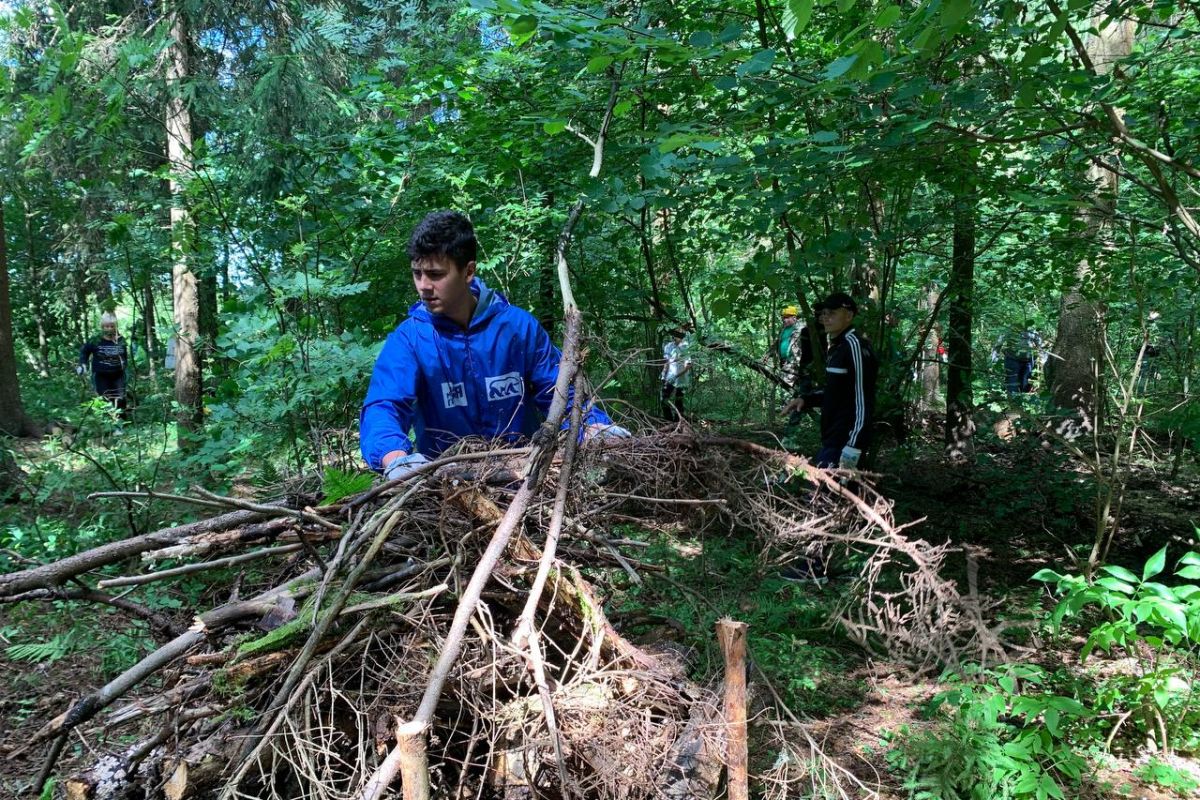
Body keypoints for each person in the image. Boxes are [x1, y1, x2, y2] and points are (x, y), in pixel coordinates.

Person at [360, 210, 622, 481]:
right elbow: (384, 406)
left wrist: (594, 426)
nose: (424, 286)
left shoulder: (517, 328)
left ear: (468, 271)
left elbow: (559, 391)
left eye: (436, 275)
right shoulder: (410, 339)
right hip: (445, 494)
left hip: (525, 481)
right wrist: (394, 457)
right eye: (417, 274)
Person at [783, 293, 877, 470]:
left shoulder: (855, 346)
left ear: (848, 316)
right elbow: (834, 390)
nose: (825, 318)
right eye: (823, 313)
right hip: (831, 437)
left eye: (832, 313)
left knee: (826, 493)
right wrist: (806, 399)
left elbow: (863, 400)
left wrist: (853, 445)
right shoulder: (837, 347)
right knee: (830, 494)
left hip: (845, 440)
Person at [78, 312, 129, 418]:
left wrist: (125, 365)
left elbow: (124, 354)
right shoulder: (96, 339)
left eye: (112, 326)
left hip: (118, 374)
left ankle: (121, 422)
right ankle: (109, 422)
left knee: (120, 397)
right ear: (102, 327)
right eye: (106, 326)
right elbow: (85, 351)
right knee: (105, 397)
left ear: (115, 326)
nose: (109, 329)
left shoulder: (120, 339)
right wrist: (82, 364)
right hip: (101, 375)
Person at [992, 325, 1042, 396]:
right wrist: (994, 359)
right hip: (1012, 359)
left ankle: (1024, 401)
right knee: (1012, 381)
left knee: (1025, 381)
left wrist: (1041, 358)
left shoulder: (1032, 330)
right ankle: (1013, 401)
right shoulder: (1010, 329)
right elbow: (998, 344)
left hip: (1028, 360)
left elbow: (1039, 343)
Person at [660, 328, 693, 420]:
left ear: (681, 338)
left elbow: (688, 366)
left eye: (678, 336)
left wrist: (676, 376)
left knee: (678, 401)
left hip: (681, 379)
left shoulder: (685, 347)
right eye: (674, 335)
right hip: (669, 377)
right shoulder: (668, 346)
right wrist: (663, 374)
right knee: (664, 399)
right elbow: (667, 362)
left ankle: (678, 423)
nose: (675, 337)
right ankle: (668, 422)